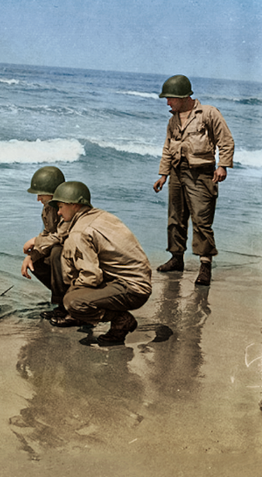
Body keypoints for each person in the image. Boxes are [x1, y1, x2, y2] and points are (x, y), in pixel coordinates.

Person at [153, 74, 234, 286]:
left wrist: (223, 166)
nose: (168, 103)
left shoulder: (208, 113)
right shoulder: (172, 120)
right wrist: (163, 174)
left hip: (202, 174)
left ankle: (205, 265)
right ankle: (176, 258)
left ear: (184, 96)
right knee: (175, 218)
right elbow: (167, 148)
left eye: (170, 98)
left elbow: (225, 140)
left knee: (201, 220)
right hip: (177, 173)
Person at [48, 181, 152, 346]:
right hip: (135, 280)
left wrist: (73, 294)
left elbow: (91, 277)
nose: (59, 212)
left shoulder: (79, 231)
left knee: (73, 302)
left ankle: (121, 320)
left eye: (61, 206)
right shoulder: (100, 215)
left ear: (74, 205)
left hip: (132, 289)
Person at [21, 166, 69, 319]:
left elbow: (61, 236)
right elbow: (47, 233)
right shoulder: (48, 208)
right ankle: (65, 301)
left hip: (76, 254)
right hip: (62, 253)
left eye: (41, 194)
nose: (38, 199)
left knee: (56, 252)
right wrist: (31, 256)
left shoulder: (67, 207)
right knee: (35, 262)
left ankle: (65, 305)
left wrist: (36, 241)